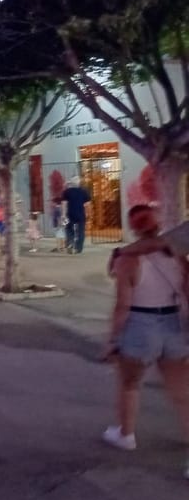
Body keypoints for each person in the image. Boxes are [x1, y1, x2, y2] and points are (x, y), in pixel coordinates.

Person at [102, 206, 189, 478]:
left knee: (129, 385)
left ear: (133, 227)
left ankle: (126, 435)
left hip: (140, 326)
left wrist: (113, 339)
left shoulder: (127, 260)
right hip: (173, 324)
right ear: (157, 225)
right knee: (183, 395)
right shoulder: (178, 257)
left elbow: (123, 305)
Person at [61, 176, 92, 254]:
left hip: (70, 214)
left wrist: (63, 214)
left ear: (71, 182)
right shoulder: (84, 192)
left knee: (69, 230)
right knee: (81, 231)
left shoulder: (66, 192)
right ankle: (78, 248)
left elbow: (64, 203)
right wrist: (89, 213)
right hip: (80, 214)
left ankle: (70, 244)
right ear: (79, 182)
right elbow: (88, 204)